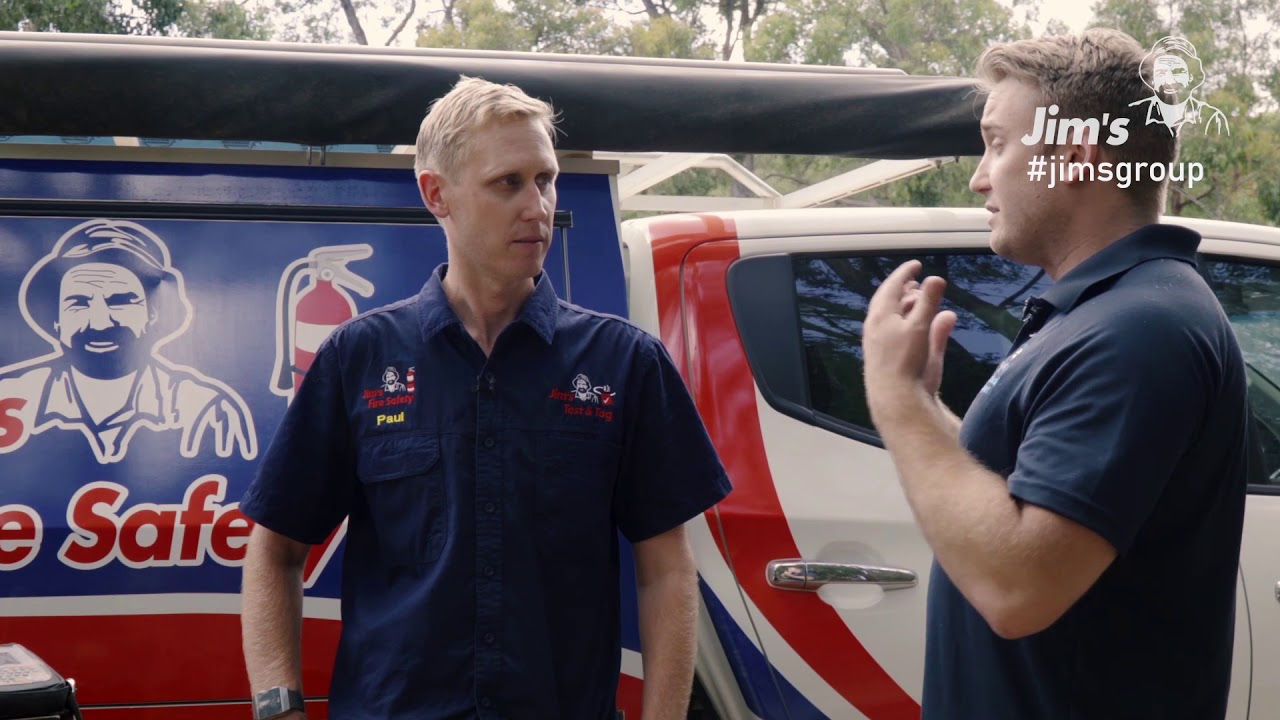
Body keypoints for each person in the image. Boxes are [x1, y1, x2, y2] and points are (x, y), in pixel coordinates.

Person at [238, 76, 732, 720]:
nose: (538, 206)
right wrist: (279, 708)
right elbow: (274, 548)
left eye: (546, 180)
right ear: (436, 194)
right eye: (508, 183)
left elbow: (666, 569)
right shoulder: (357, 358)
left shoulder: (624, 363)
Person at [860, 29, 1250, 719]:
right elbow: (1012, 501)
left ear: (1074, 158)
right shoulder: (1109, 311)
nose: (980, 176)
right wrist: (922, 402)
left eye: (997, 144)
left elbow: (1019, 587)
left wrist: (895, 401)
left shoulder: (1140, 329)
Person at [0, 218, 256, 464]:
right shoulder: (11, 396)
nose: (100, 323)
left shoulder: (207, 410)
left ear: (153, 314)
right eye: (79, 303)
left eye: (120, 301)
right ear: (56, 319)